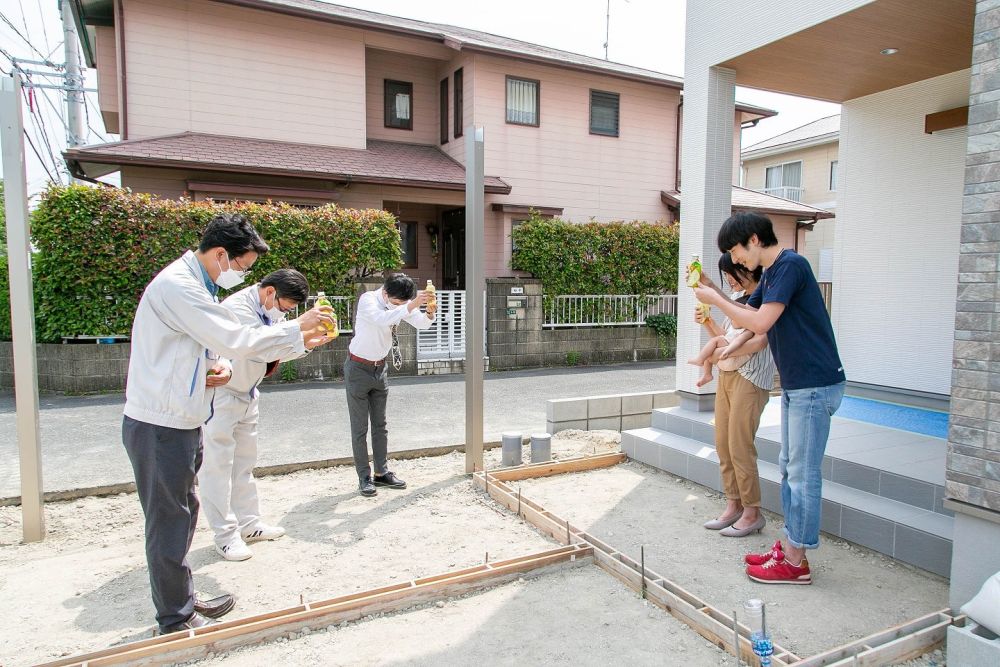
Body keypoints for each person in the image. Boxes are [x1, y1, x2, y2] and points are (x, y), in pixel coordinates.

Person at [122, 214, 333, 634]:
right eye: (240, 265)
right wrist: (299, 328)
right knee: (171, 517)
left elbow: (201, 349)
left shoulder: (194, 285)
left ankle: (180, 598)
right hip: (161, 421)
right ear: (221, 254)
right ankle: (175, 619)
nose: (241, 274)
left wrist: (210, 369)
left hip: (182, 413)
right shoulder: (180, 287)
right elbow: (235, 339)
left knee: (184, 510)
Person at [694, 211, 846, 585]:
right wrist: (726, 345)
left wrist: (714, 297)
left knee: (802, 475)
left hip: (815, 382)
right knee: (790, 469)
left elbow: (760, 324)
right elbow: (749, 317)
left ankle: (795, 562)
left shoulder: (791, 265)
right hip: (798, 384)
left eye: (736, 250)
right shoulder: (774, 274)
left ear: (754, 240)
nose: (737, 259)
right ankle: (791, 549)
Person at [200, 269, 328, 562]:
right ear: (270, 292)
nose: (285, 313)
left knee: (244, 464)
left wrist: (307, 342)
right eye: (285, 307)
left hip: (248, 392)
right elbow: (253, 345)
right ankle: (225, 536)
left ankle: (249, 524)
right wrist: (298, 326)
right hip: (222, 394)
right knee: (217, 468)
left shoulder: (270, 309)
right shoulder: (236, 308)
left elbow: (275, 348)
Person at [696, 254, 775, 539]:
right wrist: (707, 323)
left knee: (740, 445)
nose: (729, 279)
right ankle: (734, 505)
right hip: (729, 375)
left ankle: (752, 512)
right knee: (723, 444)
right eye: (726, 274)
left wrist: (717, 354)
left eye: (731, 273)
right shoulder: (738, 297)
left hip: (752, 379)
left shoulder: (767, 298)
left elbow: (755, 343)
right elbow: (725, 336)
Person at [346, 273, 434, 496]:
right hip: (357, 368)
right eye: (396, 303)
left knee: (380, 425)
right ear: (385, 293)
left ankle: (381, 472)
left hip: (380, 368)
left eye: (403, 303)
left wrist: (429, 314)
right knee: (359, 427)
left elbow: (421, 323)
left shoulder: (401, 303)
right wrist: (411, 305)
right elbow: (382, 319)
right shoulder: (368, 300)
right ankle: (364, 476)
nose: (400, 307)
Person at [687, 318, 758, 388]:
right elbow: (724, 335)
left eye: (735, 319)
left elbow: (738, 342)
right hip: (726, 350)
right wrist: (713, 325)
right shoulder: (732, 328)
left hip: (732, 352)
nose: (732, 321)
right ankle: (707, 374)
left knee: (714, 341)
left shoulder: (747, 332)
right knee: (708, 351)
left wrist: (728, 351)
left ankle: (700, 359)